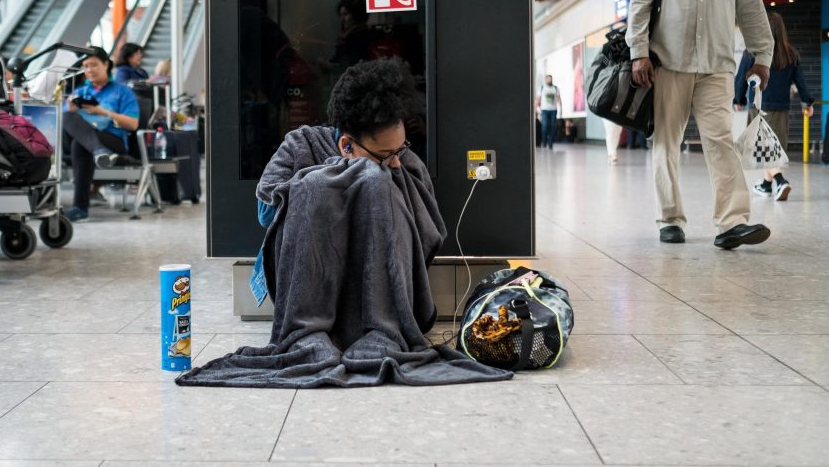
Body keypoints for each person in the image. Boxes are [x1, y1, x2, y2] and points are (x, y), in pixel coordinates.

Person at [179, 58, 510, 388]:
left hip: (379, 287)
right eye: (385, 155)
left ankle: (381, 329)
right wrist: (336, 179)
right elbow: (267, 214)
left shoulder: (400, 158)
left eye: (401, 149)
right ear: (346, 144)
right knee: (340, 182)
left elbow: (426, 228)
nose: (396, 161)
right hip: (310, 280)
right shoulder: (301, 144)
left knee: (379, 182)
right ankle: (309, 332)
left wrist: (377, 176)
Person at [627, 0, 774, 249]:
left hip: (716, 65)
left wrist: (763, 57)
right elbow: (640, 3)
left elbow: (751, 10)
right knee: (666, 143)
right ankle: (670, 218)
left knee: (721, 141)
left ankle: (731, 223)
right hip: (668, 64)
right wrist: (638, 52)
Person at [734, 11, 815, 201]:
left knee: (762, 148)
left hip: (759, 106)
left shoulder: (752, 52)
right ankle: (766, 185)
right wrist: (807, 102)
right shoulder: (791, 54)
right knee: (771, 148)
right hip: (782, 109)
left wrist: (738, 99)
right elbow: (801, 82)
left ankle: (779, 180)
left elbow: (741, 78)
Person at [62, 47, 139, 222]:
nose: (89, 70)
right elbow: (67, 122)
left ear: (106, 64)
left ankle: (80, 208)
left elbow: (133, 124)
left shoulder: (122, 91)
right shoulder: (80, 92)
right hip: (87, 140)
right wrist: (72, 108)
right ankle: (98, 152)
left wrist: (103, 112)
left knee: (79, 144)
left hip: (112, 139)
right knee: (66, 115)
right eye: (86, 66)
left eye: (94, 65)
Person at [538, 74, 562, 149]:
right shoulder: (542, 88)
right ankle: (544, 142)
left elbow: (558, 98)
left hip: (553, 110)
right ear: (545, 80)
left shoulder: (555, 88)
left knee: (552, 126)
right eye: (548, 79)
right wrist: (536, 111)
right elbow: (538, 99)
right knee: (544, 126)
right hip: (544, 110)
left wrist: (561, 108)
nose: (550, 80)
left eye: (551, 79)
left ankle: (550, 143)